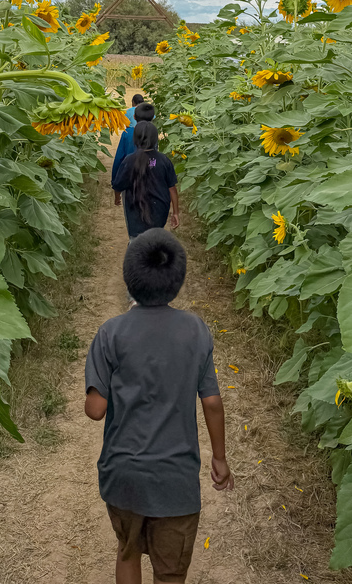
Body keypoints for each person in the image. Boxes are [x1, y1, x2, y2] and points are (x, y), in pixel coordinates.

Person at [84, 229, 234, 584]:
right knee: (170, 572)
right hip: (176, 482)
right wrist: (219, 457)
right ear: (178, 281)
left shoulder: (110, 333)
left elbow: (95, 410)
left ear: (128, 279)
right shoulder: (196, 331)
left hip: (124, 476)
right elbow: (211, 401)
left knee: (128, 550)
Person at [112, 121, 178, 241]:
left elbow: (118, 185)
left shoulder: (129, 161)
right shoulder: (164, 160)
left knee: (136, 242)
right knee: (156, 240)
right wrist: (176, 213)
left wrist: (117, 198)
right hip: (159, 210)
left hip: (135, 210)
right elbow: (172, 188)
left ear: (135, 139)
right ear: (155, 139)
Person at [111, 101, 155, 182]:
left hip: (129, 175)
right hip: (148, 177)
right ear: (152, 118)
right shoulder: (153, 132)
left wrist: (115, 180)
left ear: (134, 117)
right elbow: (154, 156)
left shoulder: (127, 133)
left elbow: (119, 158)